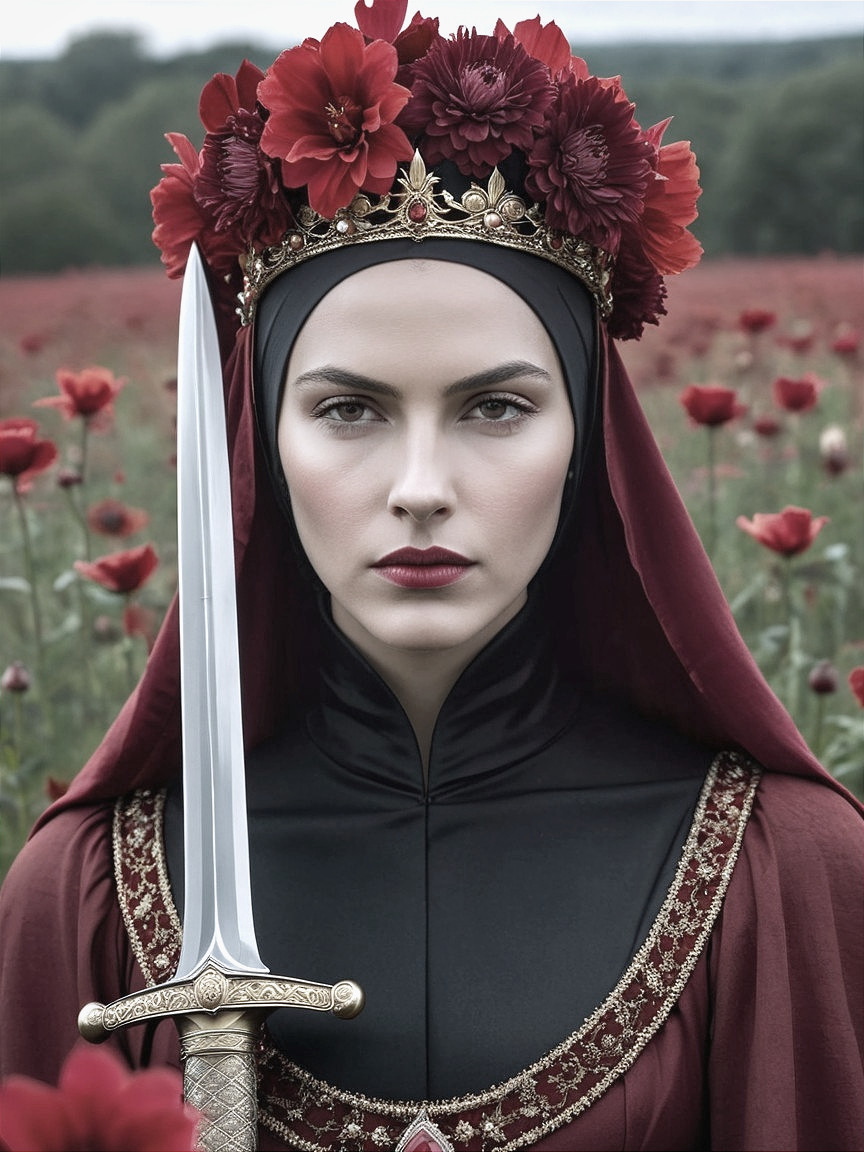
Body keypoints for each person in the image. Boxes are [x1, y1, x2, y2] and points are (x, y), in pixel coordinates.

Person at [1, 3, 861, 1150]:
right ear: (259, 441)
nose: (420, 486)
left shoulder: (787, 876)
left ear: (589, 438)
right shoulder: (85, 900)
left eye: (495, 407)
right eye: (348, 409)